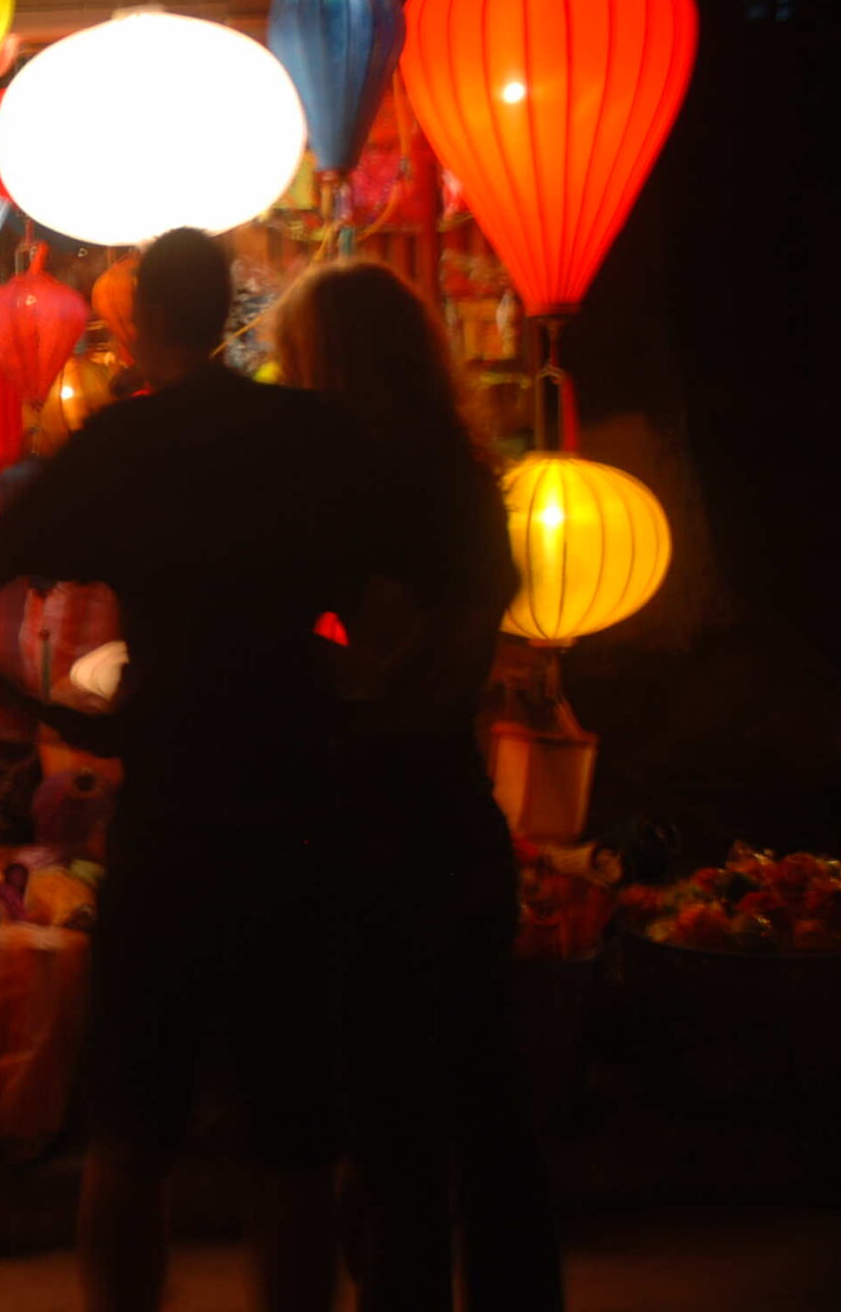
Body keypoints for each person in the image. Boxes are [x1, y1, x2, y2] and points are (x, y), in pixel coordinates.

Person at [0, 229, 369, 1312]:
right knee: (298, 1138)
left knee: (133, 1130)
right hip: (299, 804)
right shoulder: (309, 433)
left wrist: (63, 713)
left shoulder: (119, 443)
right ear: (227, 310)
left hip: (170, 804)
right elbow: (392, 597)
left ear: (143, 324)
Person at [272, 260, 564, 1311]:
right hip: (455, 817)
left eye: (292, 358)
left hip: (375, 830)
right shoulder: (464, 477)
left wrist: (342, 677)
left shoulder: (353, 494)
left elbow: (334, 655)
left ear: (330, 364)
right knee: (490, 1113)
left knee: (392, 1122)